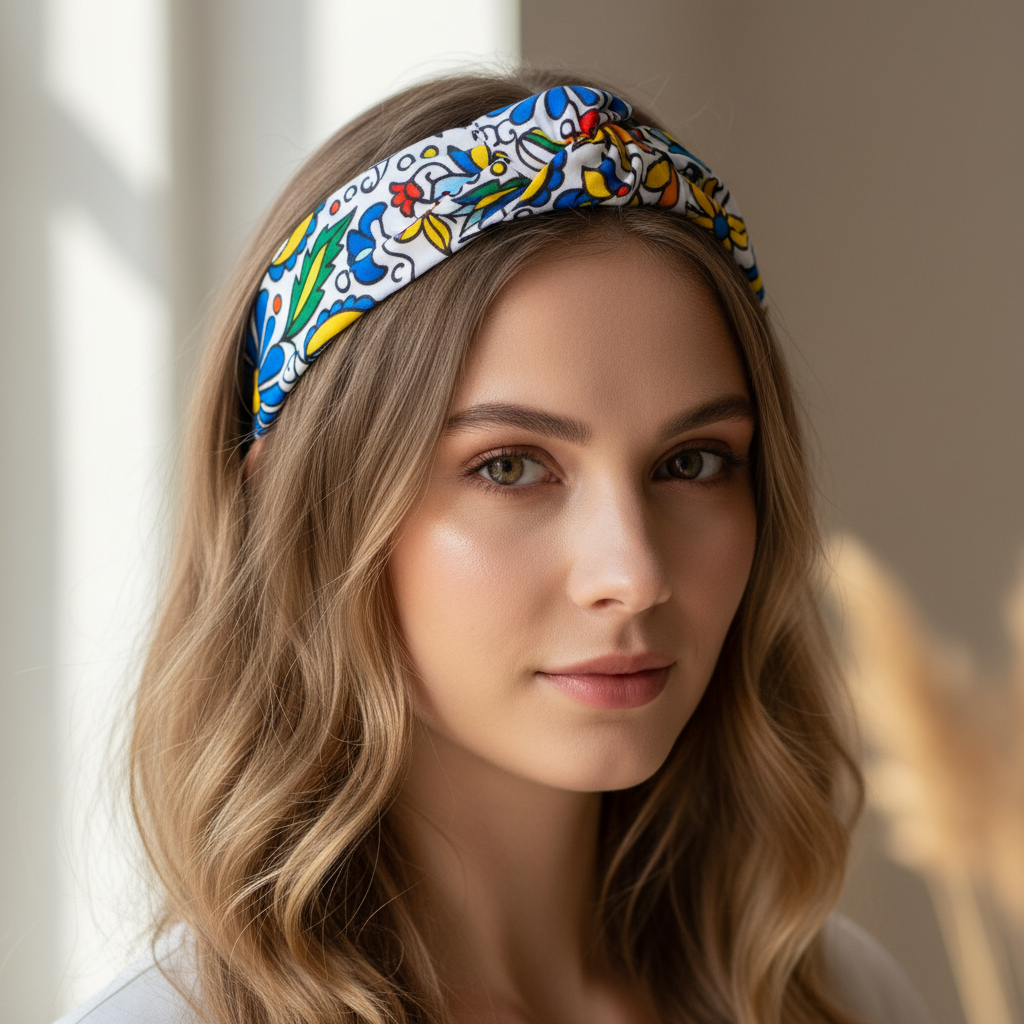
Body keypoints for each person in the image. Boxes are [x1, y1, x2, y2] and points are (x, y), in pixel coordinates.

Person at [56, 69, 935, 1024]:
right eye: (511, 467)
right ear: (301, 508)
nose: (633, 575)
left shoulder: (833, 995)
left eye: (692, 462)